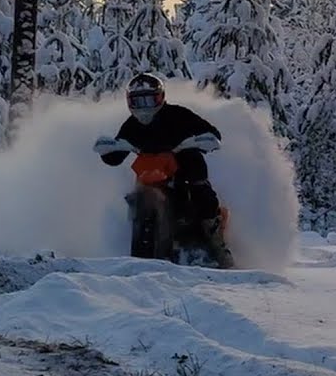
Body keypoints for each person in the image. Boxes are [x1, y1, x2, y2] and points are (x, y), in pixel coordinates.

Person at [94, 73, 235, 268]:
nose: (145, 106)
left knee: (203, 195)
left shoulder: (179, 115)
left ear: (161, 97)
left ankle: (219, 250)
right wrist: (109, 150)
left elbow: (212, 133)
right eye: (138, 100)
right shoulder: (131, 126)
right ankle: (137, 254)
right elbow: (115, 155)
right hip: (149, 178)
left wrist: (201, 141)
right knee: (133, 199)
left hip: (186, 173)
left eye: (150, 99)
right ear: (129, 101)